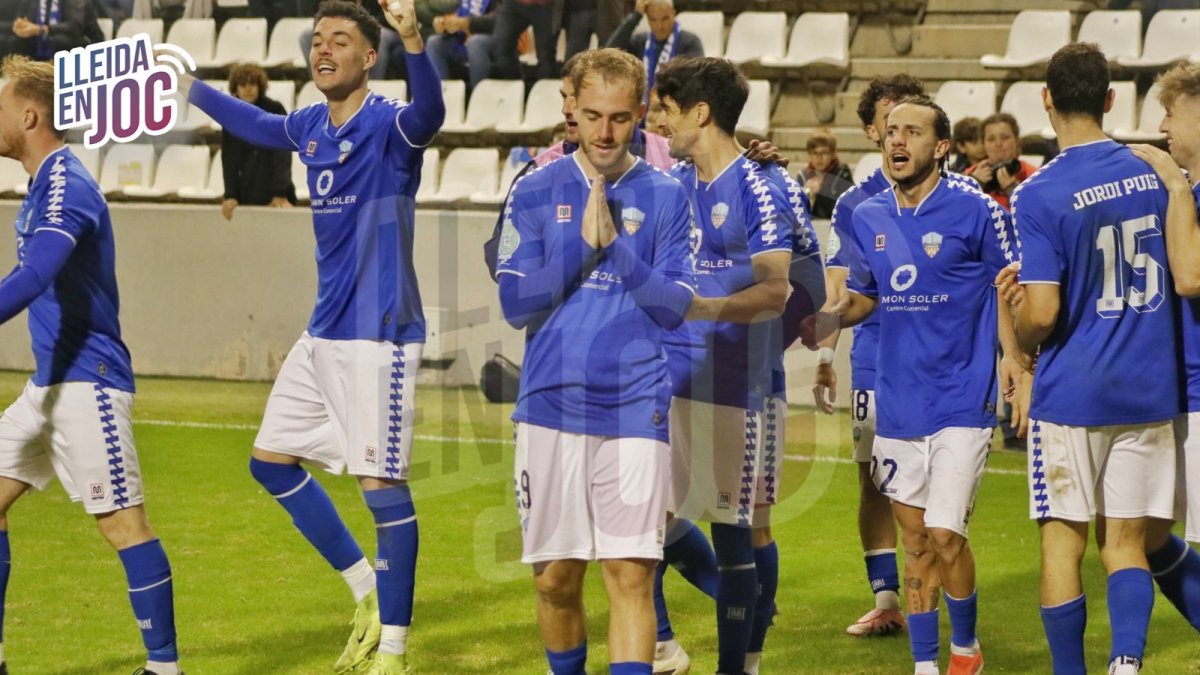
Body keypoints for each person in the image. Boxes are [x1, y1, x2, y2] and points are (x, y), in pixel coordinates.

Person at [177, 1, 444, 673]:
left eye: (340, 41)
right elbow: (258, 124)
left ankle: (395, 651)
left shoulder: (387, 124)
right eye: (317, 39)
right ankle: (367, 590)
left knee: (384, 490)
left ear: (367, 57)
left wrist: (413, 36)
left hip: (377, 336)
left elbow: (430, 114)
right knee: (269, 461)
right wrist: (187, 86)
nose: (323, 49)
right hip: (323, 330)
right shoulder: (311, 125)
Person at [497, 47, 696, 675]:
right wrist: (583, 250)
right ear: (571, 111)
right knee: (555, 582)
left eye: (619, 117)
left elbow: (672, 308)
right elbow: (514, 302)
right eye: (592, 116)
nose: (605, 132)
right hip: (549, 408)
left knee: (629, 576)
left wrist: (619, 252)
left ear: (640, 113)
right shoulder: (534, 188)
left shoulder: (667, 196)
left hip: (635, 409)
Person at [995, 42, 1177, 675]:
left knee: (1061, 543)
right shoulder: (1155, 172)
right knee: (1126, 545)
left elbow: (1042, 312)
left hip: (1074, 392)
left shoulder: (1039, 192)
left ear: (1046, 100)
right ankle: (1126, 664)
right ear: (1109, 99)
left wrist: (1015, 332)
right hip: (1151, 387)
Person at [0, 55, 182, 675]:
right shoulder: (41, 183)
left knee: (124, 525)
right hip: (47, 389)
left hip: (89, 386)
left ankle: (165, 670)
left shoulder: (66, 184)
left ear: (29, 114)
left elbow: (36, 274)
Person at [832, 95, 1018, 675]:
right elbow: (865, 295)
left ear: (940, 147)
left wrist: (1015, 359)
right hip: (899, 399)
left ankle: (966, 649)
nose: (897, 141)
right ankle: (925, 664)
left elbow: (1010, 283)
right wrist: (826, 316)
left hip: (964, 396)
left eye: (911, 132)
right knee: (914, 541)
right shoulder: (869, 216)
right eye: (890, 131)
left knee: (945, 533)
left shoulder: (977, 209)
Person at [656, 56, 798, 675]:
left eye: (666, 111)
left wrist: (694, 308)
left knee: (737, 530)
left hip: (738, 385)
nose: (657, 124)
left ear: (700, 113)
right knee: (649, 520)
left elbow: (777, 291)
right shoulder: (677, 179)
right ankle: (679, 641)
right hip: (672, 378)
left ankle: (742, 661)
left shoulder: (762, 185)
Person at [812, 73, 925, 639]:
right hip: (877, 359)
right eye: (889, 120)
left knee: (937, 484)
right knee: (876, 479)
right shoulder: (854, 204)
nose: (899, 131)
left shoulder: (954, 196)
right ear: (870, 130)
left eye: (912, 117)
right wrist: (824, 356)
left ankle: (936, 597)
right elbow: (839, 289)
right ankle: (887, 599)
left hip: (942, 361)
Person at [1128, 62, 1200, 635]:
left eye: (1171, 111)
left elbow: (1191, 277)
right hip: (1178, 390)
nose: (1162, 124)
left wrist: (1173, 184)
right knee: (1147, 535)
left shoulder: (1186, 189)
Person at [221, 63, 296, 221]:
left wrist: (280, 193)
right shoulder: (230, 115)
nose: (248, 88)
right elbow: (229, 159)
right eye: (243, 84)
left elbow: (282, 154)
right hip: (245, 194)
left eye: (252, 83)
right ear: (236, 87)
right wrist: (230, 195)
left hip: (276, 193)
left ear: (260, 85)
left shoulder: (274, 109)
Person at [605, 0, 703, 110]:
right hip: (643, 108)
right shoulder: (640, 41)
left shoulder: (689, 41)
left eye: (665, 18)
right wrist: (636, 16)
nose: (659, 26)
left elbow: (696, 79)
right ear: (647, 18)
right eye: (653, 19)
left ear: (674, 14)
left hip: (675, 107)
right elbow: (610, 52)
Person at [964, 112, 1036, 210]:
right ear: (983, 144)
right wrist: (974, 185)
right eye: (991, 139)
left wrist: (1013, 192)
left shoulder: (1034, 175)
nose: (998, 144)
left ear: (1017, 141)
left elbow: (1041, 217)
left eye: (1005, 138)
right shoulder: (970, 176)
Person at [421, 0, 495, 90]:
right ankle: (443, 96)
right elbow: (460, 16)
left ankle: (479, 98)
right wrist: (446, 25)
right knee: (434, 42)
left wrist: (469, 24)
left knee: (475, 42)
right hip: (462, 39)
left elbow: (501, 20)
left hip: (492, 38)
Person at [0, 0, 96, 60]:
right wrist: (21, 25)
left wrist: (40, 29)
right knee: (16, 41)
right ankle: (23, 80)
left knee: (59, 41)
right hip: (40, 37)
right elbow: (24, 17)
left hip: (75, 37)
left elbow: (74, 27)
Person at [489, 0, 555, 80]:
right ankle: (514, 86)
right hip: (512, 4)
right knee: (501, 47)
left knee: (546, 56)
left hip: (545, 4)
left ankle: (545, 90)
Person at [797, 128, 854, 219]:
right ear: (809, 154)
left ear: (833, 154)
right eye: (815, 153)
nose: (819, 158)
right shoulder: (803, 176)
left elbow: (846, 210)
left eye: (824, 153)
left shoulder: (842, 173)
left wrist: (820, 192)